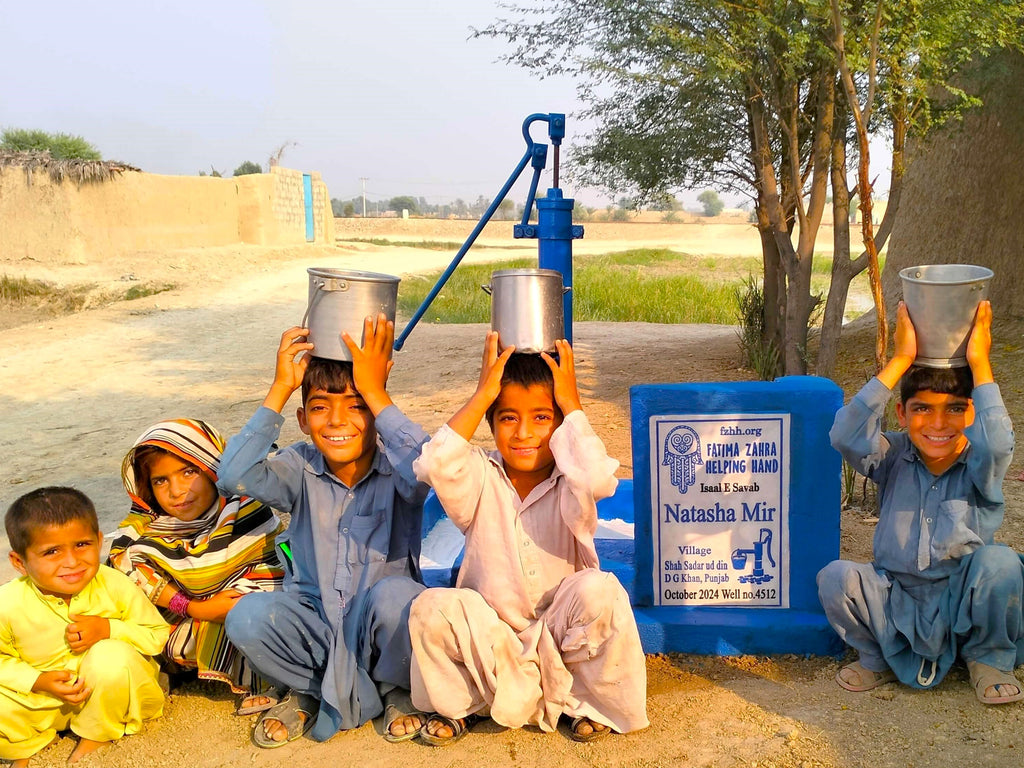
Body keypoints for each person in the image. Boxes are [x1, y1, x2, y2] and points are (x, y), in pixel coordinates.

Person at [408, 334, 649, 745]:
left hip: (561, 637)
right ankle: (463, 706)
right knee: (431, 607)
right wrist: (483, 393)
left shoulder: (572, 480)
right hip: (492, 640)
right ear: (491, 421)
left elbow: (597, 476)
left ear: (560, 427)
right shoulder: (479, 475)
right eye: (507, 417)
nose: (524, 433)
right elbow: (434, 463)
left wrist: (573, 405)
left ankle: (584, 703)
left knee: (602, 591)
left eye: (542, 417)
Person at [220, 313, 430, 747]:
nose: (337, 421)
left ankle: (380, 689)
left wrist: (377, 394)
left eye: (356, 406)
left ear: (373, 411)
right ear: (301, 419)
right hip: (317, 628)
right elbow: (233, 475)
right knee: (247, 617)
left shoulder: (398, 467)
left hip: (381, 635)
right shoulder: (298, 467)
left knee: (401, 600)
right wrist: (279, 387)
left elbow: (432, 470)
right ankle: (324, 690)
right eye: (320, 407)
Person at [818, 300, 1024, 704]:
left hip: (963, 603)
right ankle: (878, 657)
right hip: (896, 601)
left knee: (1001, 563)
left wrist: (979, 362)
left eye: (955, 410)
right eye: (922, 409)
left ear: (971, 415)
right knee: (835, 578)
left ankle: (988, 659)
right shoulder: (893, 455)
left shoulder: (979, 463)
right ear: (902, 413)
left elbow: (998, 443)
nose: (937, 424)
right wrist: (901, 358)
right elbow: (844, 436)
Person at [108, 418, 285, 714]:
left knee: (257, 616)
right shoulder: (145, 528)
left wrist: (228, 603)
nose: (176, 491)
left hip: (239, 609)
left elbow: (275, 569)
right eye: (160, 481)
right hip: (186, 618)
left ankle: (262, 678)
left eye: (188, 472)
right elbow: (124, 575)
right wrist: (193, 607)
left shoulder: (247, 509)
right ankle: (172, 666)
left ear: (213, 466)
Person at [1, 487, 169, 766]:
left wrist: (109, 629)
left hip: (112, 693)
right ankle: (29, 743)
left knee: (112, 658)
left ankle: (98, 731)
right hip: (43, 703)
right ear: (20, 562)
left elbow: (157, 634)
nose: (71, 561)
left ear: (100, 541)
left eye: (82, 544)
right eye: (51, 551)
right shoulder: (7, 603)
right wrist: (37, 680)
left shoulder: (114, 584)